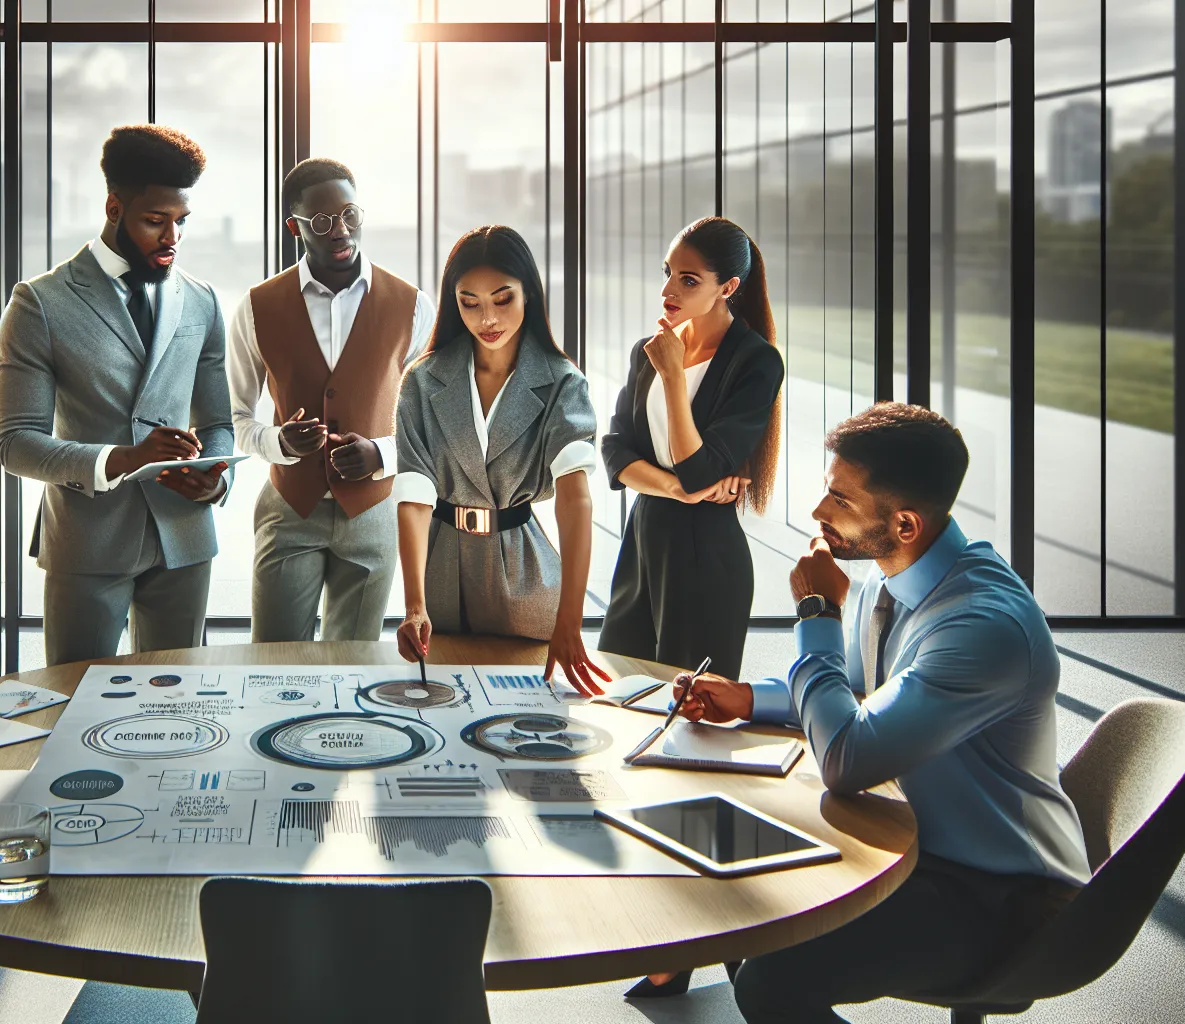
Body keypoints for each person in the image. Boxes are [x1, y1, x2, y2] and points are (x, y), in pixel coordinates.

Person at [673, 403, 1089, 1023]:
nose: (818, 513)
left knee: (772, 979)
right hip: (924, 848)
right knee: (746, 905)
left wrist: (815, 611)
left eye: (839, 499)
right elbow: (862, 695)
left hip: (1004, 897)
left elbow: (849, 756)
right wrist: (751, 697)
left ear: (904, 523)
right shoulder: (892, 572)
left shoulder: (981, 626)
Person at [0, 124, 233, 665]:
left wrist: (216, 481)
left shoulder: (203, 301)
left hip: (185, 536)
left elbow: (219, 420)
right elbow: (15, 444)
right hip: (88, 539)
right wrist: (124, 460)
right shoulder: (41, 302)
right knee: (73, 709)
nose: (171, 237)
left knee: (180, 710)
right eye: (155, 221)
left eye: (181, 222)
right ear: (112, 208)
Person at [392, 225, 611, 693]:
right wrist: (414, 606)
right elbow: (413, 496)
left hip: (526, 573)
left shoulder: (561, 382)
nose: (486, 318)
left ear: (528, 293)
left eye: (502, 298)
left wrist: (571, 623)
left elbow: (575, 500)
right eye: (469, 302)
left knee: (530, 719)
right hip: (442, 572)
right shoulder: (423, 380)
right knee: (441, 716)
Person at [228, 157, 436, 642]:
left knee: (353, 665)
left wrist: (381, 454)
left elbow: (432, 424)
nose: (340, 231)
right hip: (289, 511)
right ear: (293, 227)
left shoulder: (413, 305)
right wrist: (279, 442)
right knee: (275, 666)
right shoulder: (256, 307)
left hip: (375, 513)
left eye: (350, 215)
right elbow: (236, 417)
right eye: (321, 222)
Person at [598, 215, 784, 683]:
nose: (668, 292)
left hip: (705, 557)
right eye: (668, 274)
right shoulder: (650, 349)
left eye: (688, 280)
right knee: (621, 693)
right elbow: (616, 451)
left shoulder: (755, 361)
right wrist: (676, 490)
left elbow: (700, 470)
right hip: (641, 544)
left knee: (691, 714)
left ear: (728, 287)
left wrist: (675, 376)